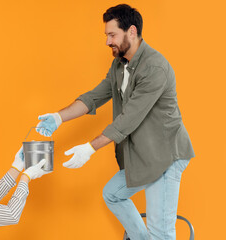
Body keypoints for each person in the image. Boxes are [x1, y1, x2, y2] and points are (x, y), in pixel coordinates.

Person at [36, 4, 194, 240]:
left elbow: (129, 117)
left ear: (131, 31)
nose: (107, 41)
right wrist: (59, 117)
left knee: (162, 233)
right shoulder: (119, 65)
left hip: (165, 156)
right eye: (107, 35)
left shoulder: (154, 67)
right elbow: (94, 96)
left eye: (112, 35)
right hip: (144, 156)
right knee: (113, 194)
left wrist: (90, 148)